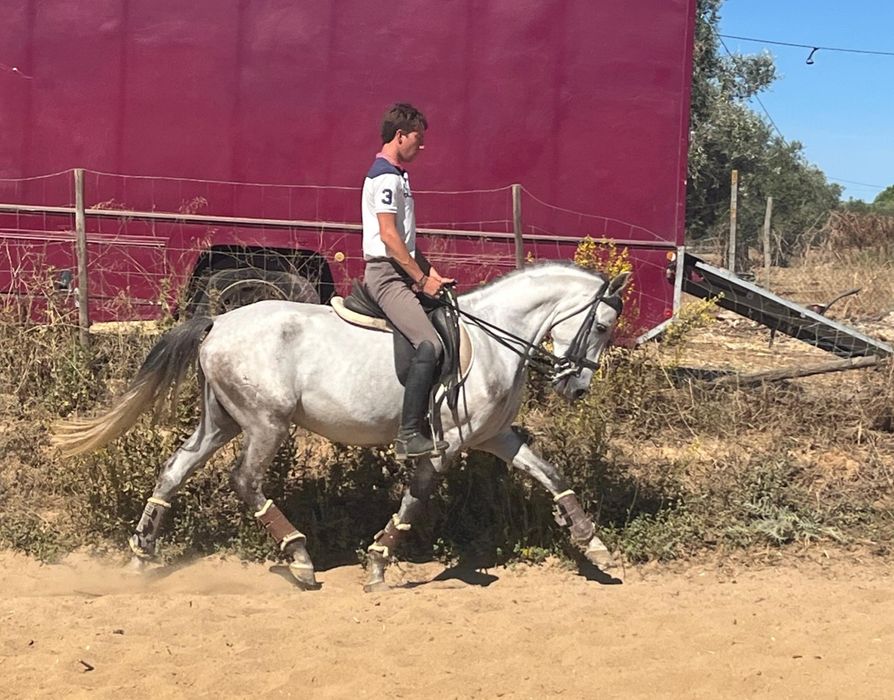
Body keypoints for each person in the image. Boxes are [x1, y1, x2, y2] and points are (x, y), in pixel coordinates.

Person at [361, 103, 454, 460]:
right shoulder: (385, 177)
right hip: (387, 276)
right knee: (430, 344)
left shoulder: (399, 175)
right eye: (418, 138)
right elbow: (389, 236)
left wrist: (431, 274)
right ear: (400, 137)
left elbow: (407, 241)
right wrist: (419, 278)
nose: (422, 146)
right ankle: (408, 435)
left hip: (403, 269)